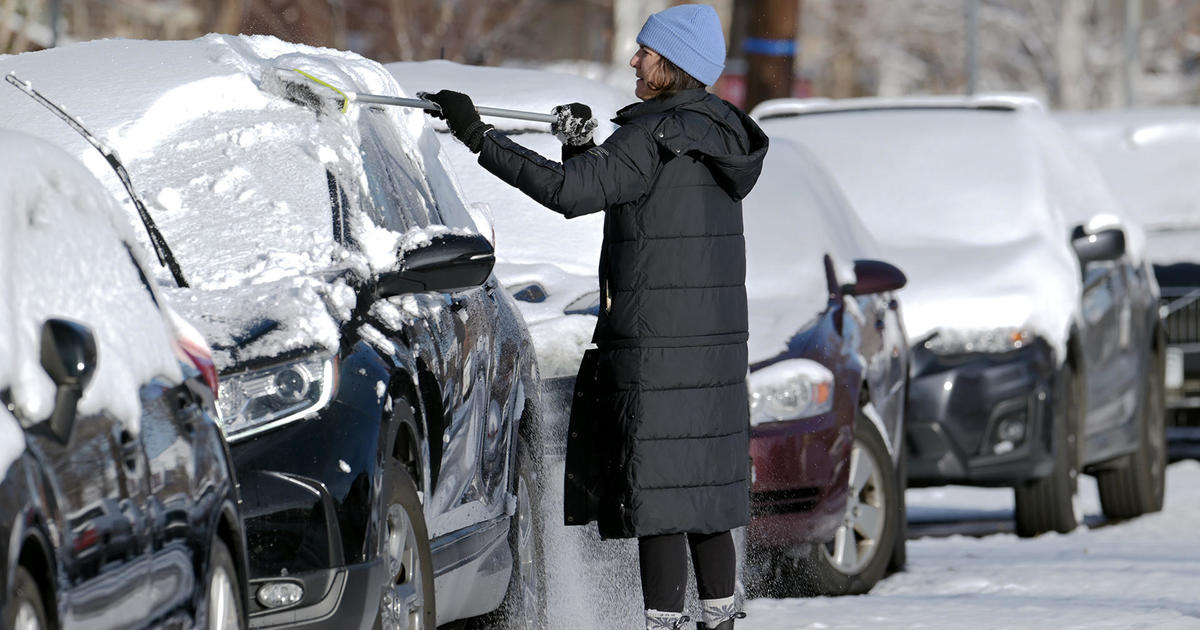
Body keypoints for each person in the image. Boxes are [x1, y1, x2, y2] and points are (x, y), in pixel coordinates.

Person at [421, 4, 767, 629]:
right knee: (705, 499)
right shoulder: (711, 132)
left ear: (674, 64)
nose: (634, 60)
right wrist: (580, 144)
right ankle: (720, 620)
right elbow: (615, 181)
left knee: (660, 500)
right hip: (709, 353)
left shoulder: (653, 135)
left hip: (657, 350)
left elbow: (570, 193)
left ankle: (662, 625)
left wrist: (477, 136)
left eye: (645, 52)